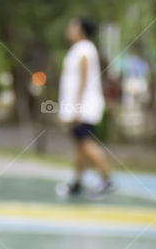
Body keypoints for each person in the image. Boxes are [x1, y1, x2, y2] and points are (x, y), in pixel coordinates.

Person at [56, 17, 114, 197]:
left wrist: (76, 108)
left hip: (84, 107)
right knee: (80, 146)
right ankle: (77, 183)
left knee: (86, 144)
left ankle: (107, 181)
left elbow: (83, 79)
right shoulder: (78, 49)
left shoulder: (84, 50)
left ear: (81, 30)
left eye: (72, 26)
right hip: (79, 106)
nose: (69, 29)